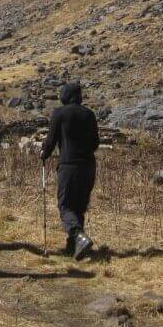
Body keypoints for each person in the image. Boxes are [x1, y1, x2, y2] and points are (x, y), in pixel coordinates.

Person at [40, 81, 99, 260]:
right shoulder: (89, 114)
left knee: (65, 205)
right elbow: (96, 143)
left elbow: (51, 140)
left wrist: (44, 153)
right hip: (88, 166)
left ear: (65, 95)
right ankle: (73, 248)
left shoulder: (59, 113)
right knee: (79, 206)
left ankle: (79, 237)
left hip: (69, 165)